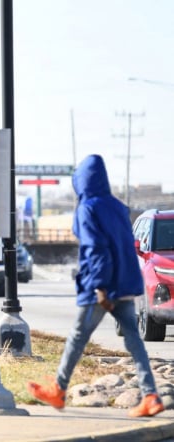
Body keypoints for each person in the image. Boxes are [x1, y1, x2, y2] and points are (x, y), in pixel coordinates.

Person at [27, 154, 164, 418]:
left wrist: (101, 288)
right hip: (125, 283)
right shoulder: (117, 206)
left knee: (78, 337)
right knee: (135, 342)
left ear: (81, 181)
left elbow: (95, 249)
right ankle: (150, 396)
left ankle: (58, 389)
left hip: (102, 286)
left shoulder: (87, 208)